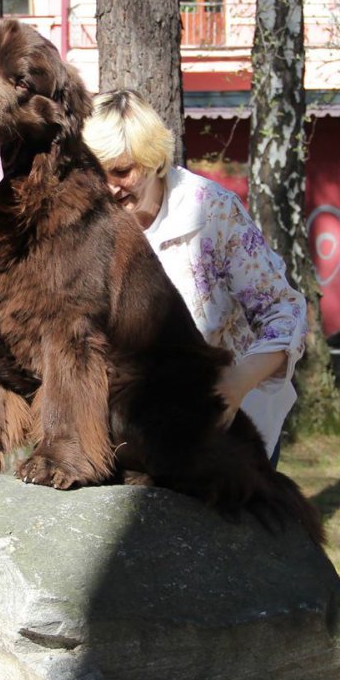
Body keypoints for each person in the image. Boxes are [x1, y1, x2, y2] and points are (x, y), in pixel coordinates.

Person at [82, 89, 307, 467]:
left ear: (154, 161)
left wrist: (235, 386)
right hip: (131, 432)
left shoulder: (212, 211)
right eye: (96, 173)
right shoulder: (86, 220)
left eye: (122, 171)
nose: (109, 187)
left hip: (225, 428)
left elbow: (283, 311)